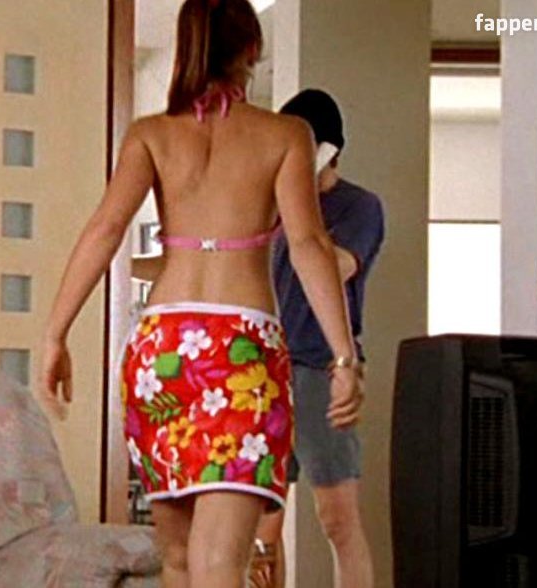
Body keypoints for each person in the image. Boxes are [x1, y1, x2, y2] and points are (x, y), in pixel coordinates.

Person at [39, 1, 362, 586]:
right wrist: (343, 357)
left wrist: (54, 334)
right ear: (252, 49)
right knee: (221, 564)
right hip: (241, 353)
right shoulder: (287, 135)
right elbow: (309, 245)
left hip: (161, 352)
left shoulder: (151, 134)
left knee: (180, 560)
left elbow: (104, 230)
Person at [255, 89, 384, 588]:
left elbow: (338, 266)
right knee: (263, 524)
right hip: (265, 369)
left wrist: (301, 209)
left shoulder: (359, 207)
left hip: (320, 369)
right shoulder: (270, 210)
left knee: (337, 518)